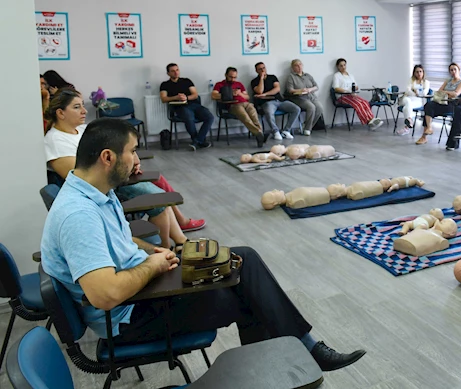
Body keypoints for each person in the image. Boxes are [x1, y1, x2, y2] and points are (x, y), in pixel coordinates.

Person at [40, 118, 366, 372]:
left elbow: (117, 238)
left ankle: (293, 356)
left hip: (138, 295)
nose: (137, 159)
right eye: (133, 151)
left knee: (244, 260)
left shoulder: (96, 192)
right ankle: (295, 357)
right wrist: (151, 266)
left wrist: (150, 250)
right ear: (107, 157)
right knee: (250, 295)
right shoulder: (78, 214)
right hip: (128, 319)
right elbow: (105, 294)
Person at [44, 89, 204, 244]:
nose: (84, 111)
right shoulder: (55, 140)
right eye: (76, 107)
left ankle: (180, 241)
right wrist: (123, 166)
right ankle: (168, 247)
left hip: (113, 177)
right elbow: (81, 177)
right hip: (103, 187)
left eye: (83, 106)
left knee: (159, 192)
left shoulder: (82, 129)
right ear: (60, 113)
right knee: (158, 199)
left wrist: (133, 161)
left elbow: (117, 148)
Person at [159, 63, 214, 151]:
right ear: (168, 73)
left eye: (177, 70)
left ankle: (197, 141)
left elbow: (195, 95)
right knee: (189, 117)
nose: (176, 72)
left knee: (209, 116)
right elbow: (163, 99)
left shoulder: (186, 81)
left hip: (194, 105)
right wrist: (176, 97)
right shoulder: (165, 84)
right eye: (173, 71)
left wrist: (186, 98)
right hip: (179, 107)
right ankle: (199, 141)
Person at [212, 67, 265, 147]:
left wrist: (240, 93)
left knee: (254, 115)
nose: (233, 79)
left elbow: (247, 97)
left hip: (245, 103)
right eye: (231, 77)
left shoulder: (239, 84)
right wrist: (229, 93)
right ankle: (259, 133)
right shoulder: (219, 84)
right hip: (233, 105)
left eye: (235, 77)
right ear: (226, 75)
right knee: (245, 117)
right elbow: (213, 95)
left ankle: (259, 135)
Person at [416, 63, 461, 145]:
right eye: (451, 70)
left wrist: (445, 92)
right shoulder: (447, 81)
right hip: (442, 102)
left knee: (429, 111)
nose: (453, 71)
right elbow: (439, 91)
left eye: (455, 69)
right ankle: (428, 129)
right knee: (428, 105)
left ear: (459, 70)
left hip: (452, 105)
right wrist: (449, 93)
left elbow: (455, 94)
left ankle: (424, 136)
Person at [251, 61, 300, 142]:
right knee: (269, 112)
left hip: (279, 100)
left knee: (296, 109)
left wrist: (265, 94)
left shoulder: (272, 77)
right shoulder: (254, 81)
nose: (263, 70)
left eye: (264, 68)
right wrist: (261, 78)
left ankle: (286, 130)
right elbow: (259, 91)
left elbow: (277, 89)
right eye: (260, 69)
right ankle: (275, 131)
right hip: (267, 102)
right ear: (256, 71)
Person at [332, 58, 383, 130]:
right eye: (341, 66)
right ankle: (368, 122)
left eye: (344, 65)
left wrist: (355, 88)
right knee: (358, 104)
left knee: (365, 102)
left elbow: (356, 86)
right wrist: (346, 91)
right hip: (342, 96)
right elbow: (336, 88)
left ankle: (372, 119)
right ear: (337, 66)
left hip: (352, 95)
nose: (343, 67)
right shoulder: (336, 75)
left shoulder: (350, 75)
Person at [284, 59, 323, 136]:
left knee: (320, 108)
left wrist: (310, 89)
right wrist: (300, 90)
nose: (299, 67)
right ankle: (307, 129)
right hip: (299, 98)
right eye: (296, 65)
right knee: (311, 107)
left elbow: (316, 86)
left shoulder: (308, 75)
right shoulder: (291, 77)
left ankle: (307, 125)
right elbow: (290, 90)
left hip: (311, 96)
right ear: (293, 68)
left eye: (300, 64)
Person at [396, 64, 430, 136]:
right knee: (408, 102)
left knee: (406, 107)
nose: (419, 73)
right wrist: (415, 93)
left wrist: (415, 91)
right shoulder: (411, 80)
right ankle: (410, 121)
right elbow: (408, 91)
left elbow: (424, 93)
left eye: (420, 71)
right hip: (407, 98)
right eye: (417, 72)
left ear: (423, 72)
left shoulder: (426, 82)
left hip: (417, 101)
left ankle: (407, 127)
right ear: (414, 73)